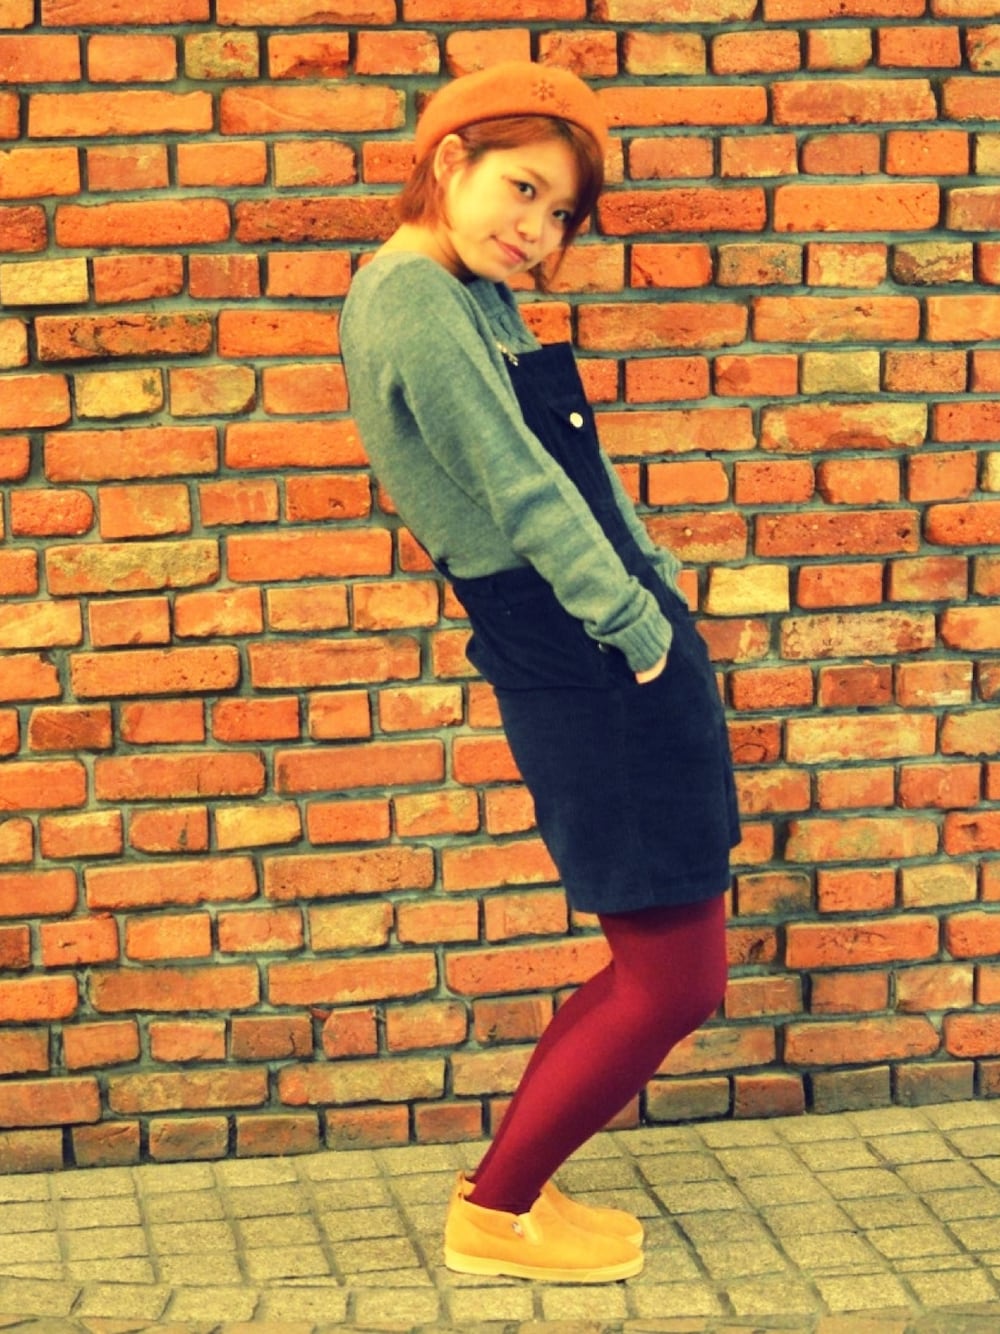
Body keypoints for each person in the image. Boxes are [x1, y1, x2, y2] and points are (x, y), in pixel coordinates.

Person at [340, 60, 741, 1285]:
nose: (537, 230)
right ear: (448, 159)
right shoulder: (412, 297)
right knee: (675, 975)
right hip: (582, 642)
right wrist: (637, 626)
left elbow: (574, 467)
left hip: (602, 626)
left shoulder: (468, 291)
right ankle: (494, 1209)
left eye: (559, 212)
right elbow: (519, 490)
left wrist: (654, 574)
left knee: (659, 960)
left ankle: (508, 1189)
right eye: (522, 188)